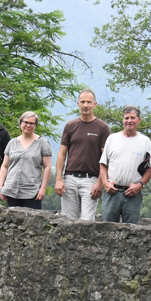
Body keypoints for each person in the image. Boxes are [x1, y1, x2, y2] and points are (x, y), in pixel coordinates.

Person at [55, 90, 110, 220]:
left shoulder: (102, 127)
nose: (85, 105)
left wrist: (100, 182)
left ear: (95, 104)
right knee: (68, 221)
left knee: (87, 222)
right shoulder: (70, 126)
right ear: (78, 104)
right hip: (70, 179)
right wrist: (59, 179)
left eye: (89, 102)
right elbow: (62, 154)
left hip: (91, 180)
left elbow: (106, 158)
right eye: (83, 102)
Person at [99, 106, 151, 223]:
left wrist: (140, 185)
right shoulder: (112, 139)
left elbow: (150, 168)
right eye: (126, 118)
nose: (129, 121)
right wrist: (105, 183)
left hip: (132, 193)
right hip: (112, 192)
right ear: (123, 120)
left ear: (139, 119)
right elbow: (103, 164)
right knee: (107, 228)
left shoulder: (145, 141)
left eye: (132, 118)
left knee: (132, 230)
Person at [0, 111, 52, 209]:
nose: (28, 125)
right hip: (11, 191)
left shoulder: (42, 143)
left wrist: (43, 188)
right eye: (26, 122)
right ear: (20, 123)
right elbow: (4, 166)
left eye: (31, 123)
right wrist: (0, 186)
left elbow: (47, 167)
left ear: (35, 125)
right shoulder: (12, 143)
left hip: (32, 192)